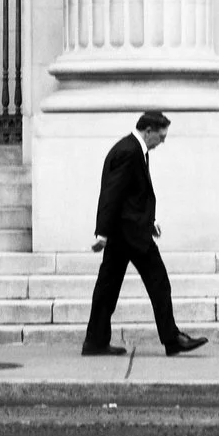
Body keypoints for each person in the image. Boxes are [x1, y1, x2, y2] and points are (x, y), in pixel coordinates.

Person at [81, 111, 207, 358]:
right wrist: (102, 233)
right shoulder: (129, 151)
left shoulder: (134, 150)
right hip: (129, 235)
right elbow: (111, 194)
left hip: (128, 232)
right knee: (158, 282)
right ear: (148, 131)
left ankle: (95, 341)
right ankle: (172, 339)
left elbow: (132, 196)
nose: (162, 141)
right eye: (160, 136)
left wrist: (151, 222)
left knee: (107, 288)